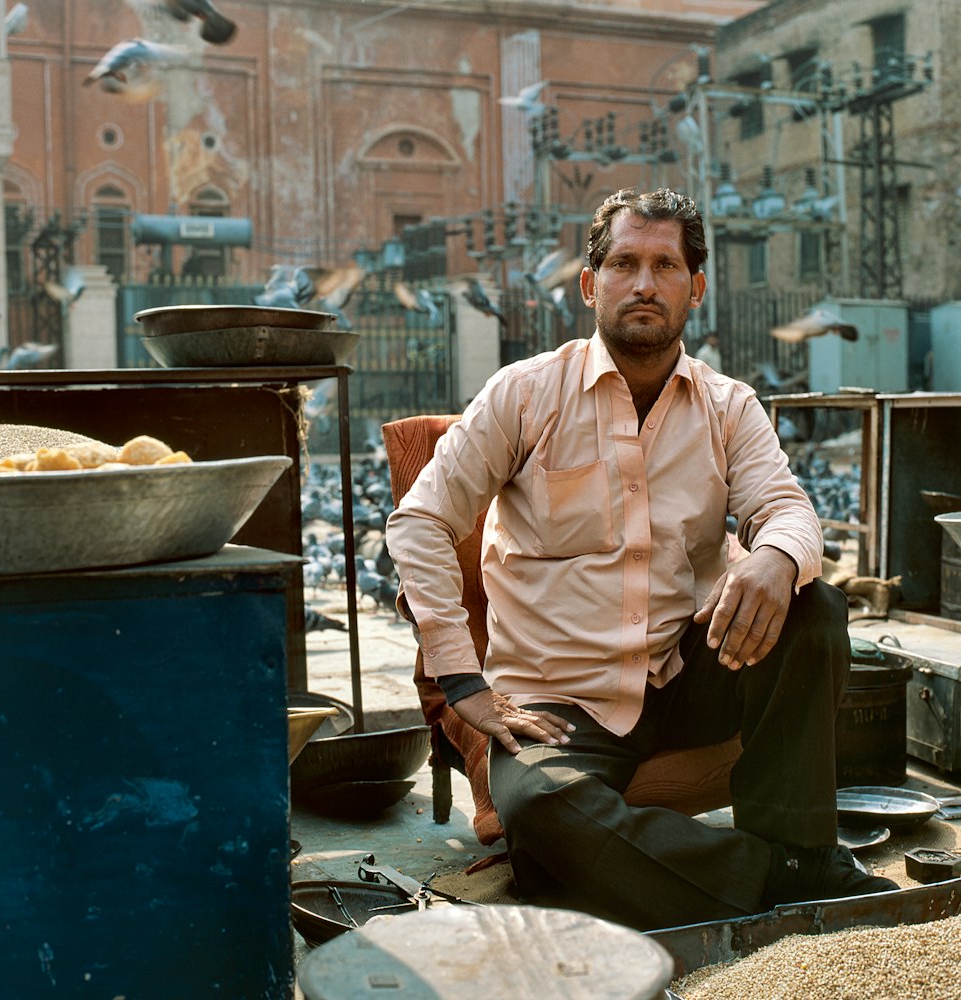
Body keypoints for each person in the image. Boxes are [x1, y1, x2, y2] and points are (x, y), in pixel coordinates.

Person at [384, 188, 898, 931]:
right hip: (559, 704)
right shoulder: (524, 395)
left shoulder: (728, 406)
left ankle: (781, 845)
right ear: (591, 284)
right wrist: (461, 677)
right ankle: (784, 876)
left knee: (813, 604)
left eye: (665, 265)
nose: (645, 284)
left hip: (685, 672)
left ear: (697, 287)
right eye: (624, 263)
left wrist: (776, 559)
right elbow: (422, 521)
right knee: (541, 809)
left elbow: (786, 509)